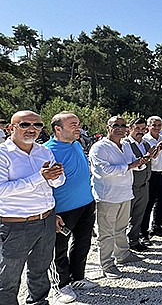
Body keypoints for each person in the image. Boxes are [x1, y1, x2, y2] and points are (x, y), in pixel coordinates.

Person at [0, 110, 65, 305]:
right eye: (25, 125)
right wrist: (41, 177)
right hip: (15, 226)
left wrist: (56, 176)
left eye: (37, 125)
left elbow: (56, 183)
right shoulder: (3, 154)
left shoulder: (43, 151)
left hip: (45, 220)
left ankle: (39, 302)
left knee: (40, 270)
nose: (32, 129)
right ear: (11, 128)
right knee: (7, 278)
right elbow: (2, 190)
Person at [44, 112, 97, 303]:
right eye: (73, 124)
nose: (78, 127)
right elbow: (44, 186)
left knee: (83, 243)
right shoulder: (47, 151)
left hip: (86, 203)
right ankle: (60, 285)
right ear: (58, 129)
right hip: (63, 209)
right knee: (58, 248)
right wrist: (52, 212)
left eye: (78, 124)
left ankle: (78, 278)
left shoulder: (76, 143)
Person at [89, 116, 148, 279]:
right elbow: (103, 171)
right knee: (106, 232)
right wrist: (131, 166)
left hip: (125, 193)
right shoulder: (99, 147)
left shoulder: (126, 146)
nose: (120, 128)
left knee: (121, 228)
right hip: (108, 195)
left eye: (123, 125)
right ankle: (107, 264)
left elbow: (133, 165)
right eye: (116, 125)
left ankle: (123, 254)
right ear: (108, 127)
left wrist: (143, 161)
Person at [123, 118, 156, 252]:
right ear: (130, 128)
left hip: (144, 184)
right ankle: (122, 245)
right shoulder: (126, 144)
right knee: (125, 216)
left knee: (139, 215)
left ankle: (134, 240)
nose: (140, 132)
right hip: (131, 185)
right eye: (137, 128)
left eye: (143, 129)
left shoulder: (146, 144)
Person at [143, 116, 162, 241]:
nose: (156, 128)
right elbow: (148, 160)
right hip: (153, 174)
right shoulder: (145, 140)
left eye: (159, 125)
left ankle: (157, 226)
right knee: (148, 204)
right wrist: (156, 153)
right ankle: (143, 231)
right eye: (154, 125)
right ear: (148, 126)